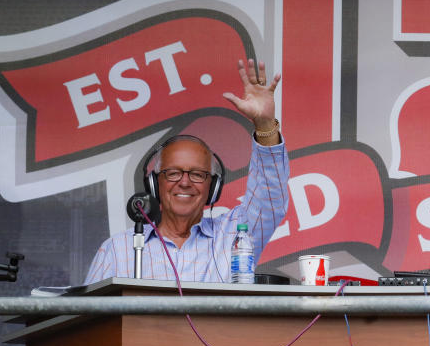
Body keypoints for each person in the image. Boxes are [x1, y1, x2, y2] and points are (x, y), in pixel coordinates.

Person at [84, 59, 289, 283]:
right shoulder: (117, 250)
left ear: (213, 187)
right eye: (173, 173)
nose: (184, 182)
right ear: (154, 184)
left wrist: (266, 126)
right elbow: (89, 316)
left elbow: (269, 200)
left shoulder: (235, 236)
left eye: (197, 174)